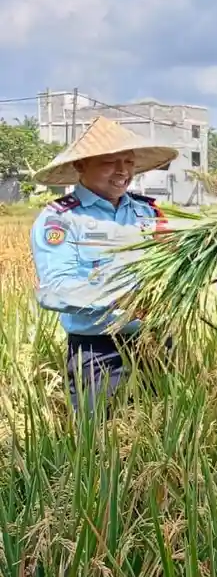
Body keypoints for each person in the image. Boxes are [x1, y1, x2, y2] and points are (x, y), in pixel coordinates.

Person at [30, 116, 198, 414]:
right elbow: (56, 290)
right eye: (110, 162)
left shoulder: (149, 212)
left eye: (129, 162)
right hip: (98, 349)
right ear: (81, 166)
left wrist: (212, 235)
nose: (123, 172)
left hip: (155, 342)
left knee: (163, 432)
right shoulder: (61, 219)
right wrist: (121, 297)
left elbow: (175, 261)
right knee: (99, 442)